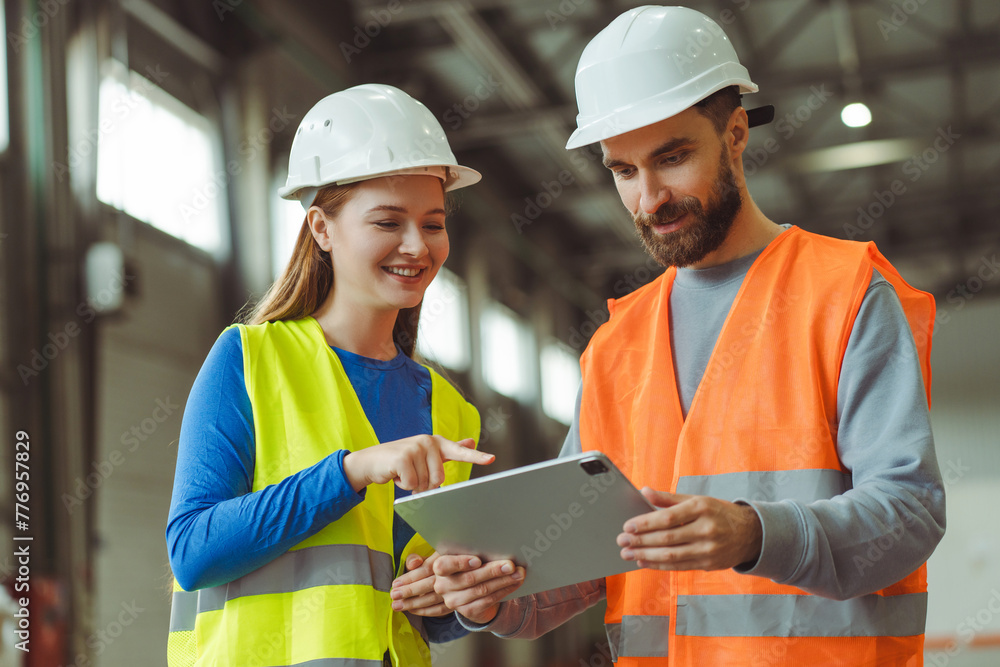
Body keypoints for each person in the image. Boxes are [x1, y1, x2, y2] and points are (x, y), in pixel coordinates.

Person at [392, 6, 945, 665]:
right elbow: (586, 555)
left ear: (736, 133)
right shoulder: (617, 346)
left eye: (672, 157)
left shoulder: (846, 293)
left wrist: (754, 532)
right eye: (622, 170)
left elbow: (910, 513)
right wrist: (493, 595)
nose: (649, 198)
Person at [165, 83, 494, 667]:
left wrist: (457, 594)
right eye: (388, 222)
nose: (417, 246)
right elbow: (192, 552)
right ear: (322, 229)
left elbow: (413, 617)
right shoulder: (249, 358)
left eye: (433, 223)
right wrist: (352, 471)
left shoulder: (452, 410)